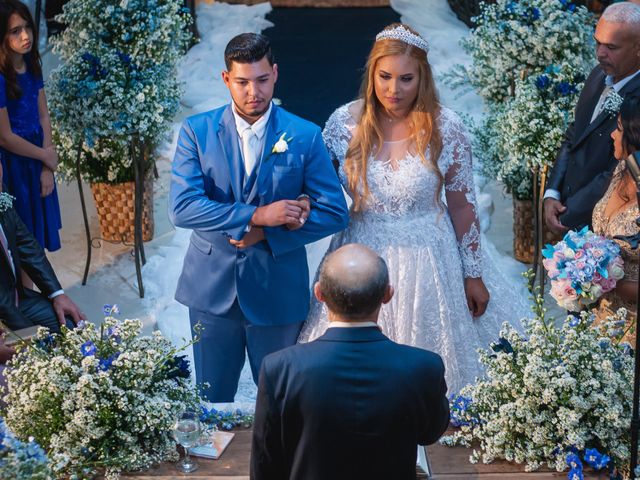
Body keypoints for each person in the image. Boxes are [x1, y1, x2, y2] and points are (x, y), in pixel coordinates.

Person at [299, 23, 529, 394]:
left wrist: (473, 274)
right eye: (385, 77)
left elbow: (463, 207)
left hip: (430, 255)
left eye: (406, 79)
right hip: (360, 248)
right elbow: (317, 190)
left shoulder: (446, 127)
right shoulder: (343, 124)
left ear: (422, 77)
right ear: (372, 73)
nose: (394, 89)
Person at [169, 33, 349, 402]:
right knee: (211, 403)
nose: (254, 91)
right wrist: (259, 215)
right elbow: (183, 207)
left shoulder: (304, 135)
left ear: (276, 74)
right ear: (225, 80)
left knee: (283, 402)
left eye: (262, 80)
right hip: (211, 290)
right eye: (243, 82)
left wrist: (267, 234)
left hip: (277, 290)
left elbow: (334, 211)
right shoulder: (197, 132)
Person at [251, 244, 450, 480]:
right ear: (388, 294)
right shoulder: (424, 366)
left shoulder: (280, 368)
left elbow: (265, 463)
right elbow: (430, 433)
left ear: (319, 293)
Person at [544, 2, 640, 234]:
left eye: (611, 47)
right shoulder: (598, 75)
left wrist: (570, 212)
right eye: (597, 43)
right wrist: (552, 193)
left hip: (606, 225)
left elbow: (619, 169)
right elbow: (574, 135)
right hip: (568, 209)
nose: (599, 54)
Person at [0, 163, 84, 334]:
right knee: (36, 352)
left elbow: (26, 245)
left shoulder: (1, 190)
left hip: (16, 298)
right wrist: (30, 337)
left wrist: (57, 294)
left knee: (71, 327)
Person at [592, 94, 640, 335]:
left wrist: (604, 282)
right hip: (601, 317)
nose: (612, 134)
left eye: (619, 128)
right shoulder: (623, 168)